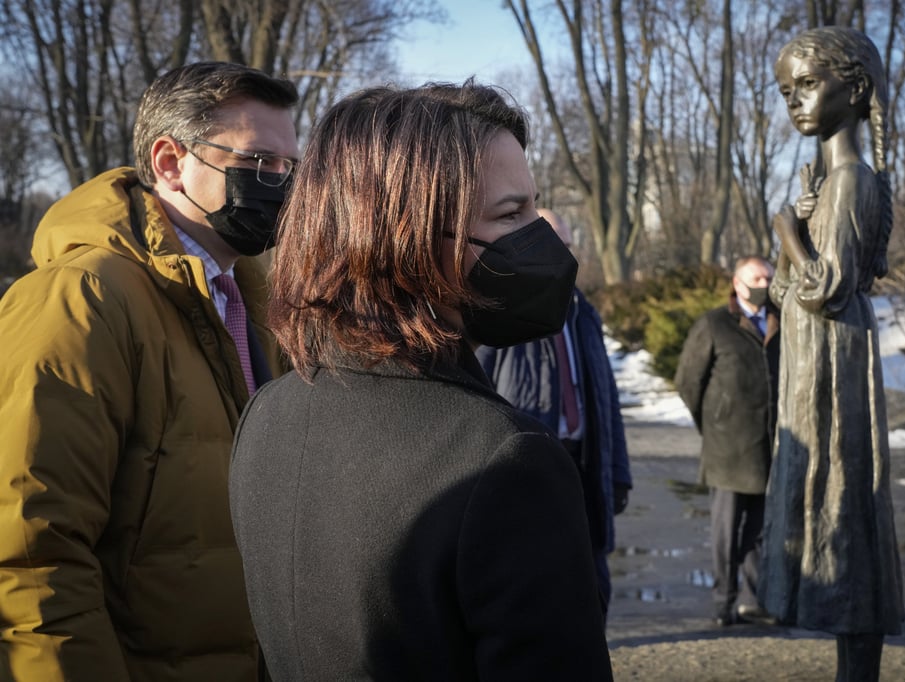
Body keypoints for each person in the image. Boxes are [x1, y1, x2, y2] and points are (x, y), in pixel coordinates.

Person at [228, 82, 614, 680]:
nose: (542, 237)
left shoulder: (268, 410)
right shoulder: (504, 460)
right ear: (400, 237)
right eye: (512, 213)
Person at [0, 62, 299, 680]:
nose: (282, 186)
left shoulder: (251, 302)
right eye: (259, 164)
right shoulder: (79, 301)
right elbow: (29, 556)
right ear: (169, 162)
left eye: (289, 169)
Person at [761, 26, 905, 682]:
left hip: (834, 367)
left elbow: (827, 286)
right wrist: (793, 240)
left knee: (844, 505)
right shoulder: (828, 180)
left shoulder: (853, 179)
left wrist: (789, 233)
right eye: (787, 91)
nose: (795, 102)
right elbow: (786, 289)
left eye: (808, 85)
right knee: (827, 506)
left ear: (854, 88)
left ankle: (859, 658)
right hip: (813, 362)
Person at [475, 207, 633, 622]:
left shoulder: (584, 313)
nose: (559, 254)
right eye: (549, 242)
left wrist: (618, 473)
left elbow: (605, 400)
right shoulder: (498, 314)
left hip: (584, 462)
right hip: (526, 470)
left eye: (565, 244)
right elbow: (476, 401)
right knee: (539, 590)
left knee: (593, 583)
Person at [675, 255, 780, 627]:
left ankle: (753, 599)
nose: (764, 284)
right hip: (727, 449)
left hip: (769, 446)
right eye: (757, 278)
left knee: (760, 529)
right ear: (737, 283)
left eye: (769, 277)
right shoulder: (715, 324)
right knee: (726, 530)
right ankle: (724, 600)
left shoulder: (779, 324)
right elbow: (689, 381)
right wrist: (713, 421)